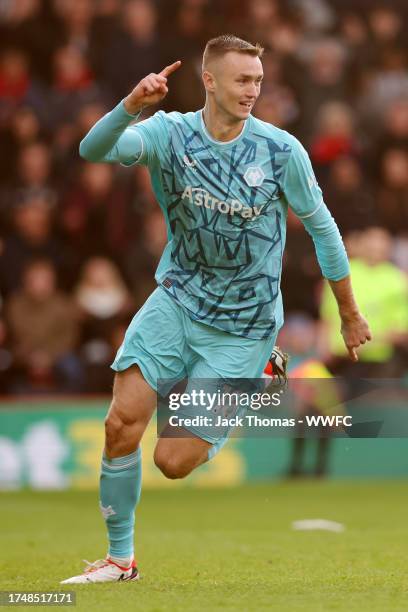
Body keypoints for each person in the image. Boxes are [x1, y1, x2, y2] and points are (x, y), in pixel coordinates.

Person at [62, 34, 371, 584]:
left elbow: (323, 229)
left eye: (258, 80)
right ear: (209, 81)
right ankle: (119, 559)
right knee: (119, 425)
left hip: (245, 326)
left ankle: (260, 374)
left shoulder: (281, 151)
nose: (253, 90)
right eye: (242, 80)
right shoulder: (169, 134)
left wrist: (347, 312)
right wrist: (130, 106)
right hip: (177, 301)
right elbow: (93, 150)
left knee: (172, 462)